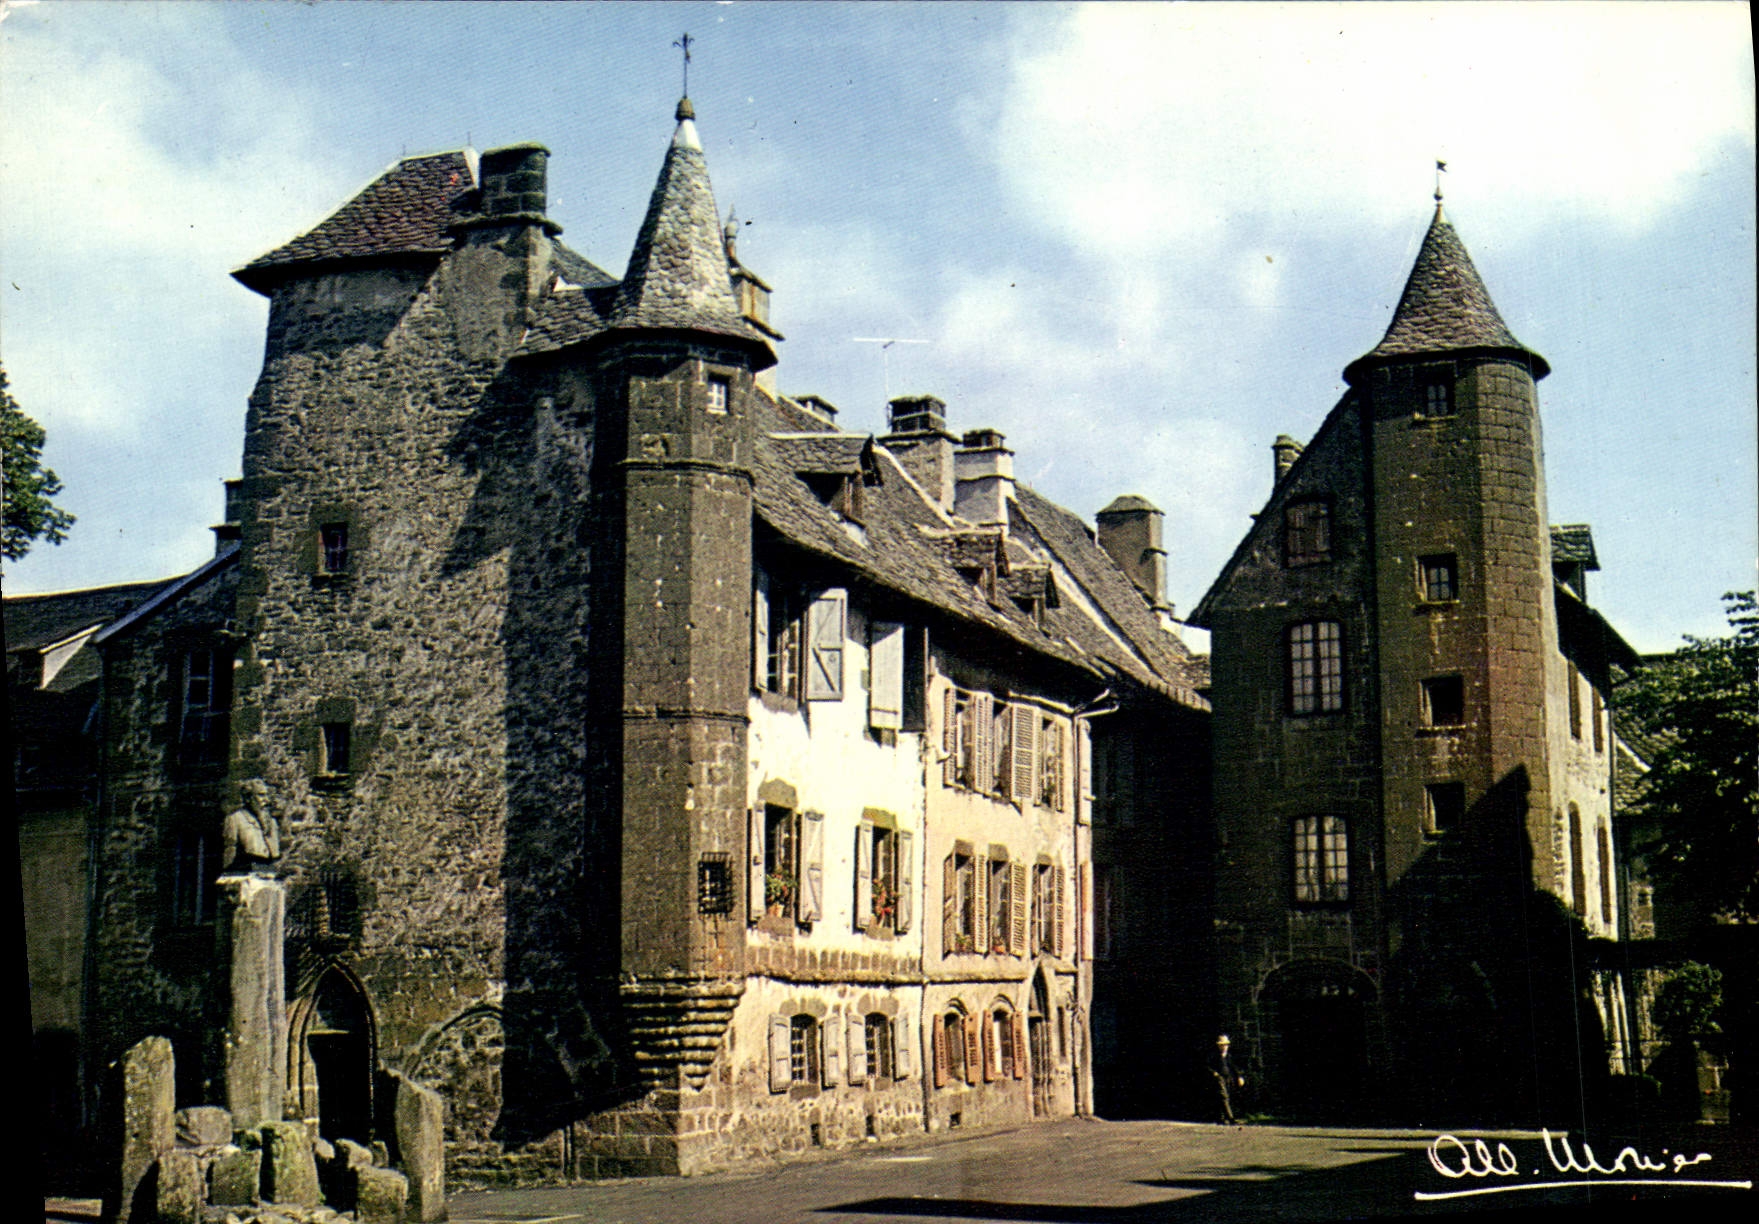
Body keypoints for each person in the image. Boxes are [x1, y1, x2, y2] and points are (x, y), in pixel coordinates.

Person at [222, 779, 283, 873]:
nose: (266, 800)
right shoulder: (235, 819)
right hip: (247, 871)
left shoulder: (272, 822)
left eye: (266, 795)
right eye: (261, 795)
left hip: (270, 871)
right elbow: (230, 852)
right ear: (248, 798)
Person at [1208, 1034, 1244, 1124]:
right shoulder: (1214, 1056)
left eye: (1225, 1045)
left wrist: (1239, 1076)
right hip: (1219, 1078)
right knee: (1224, 1096)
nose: (1224, 1047)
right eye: (1222, 1045)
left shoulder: (1229, 1056)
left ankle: (1222, 1118)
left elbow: (1234, 1067)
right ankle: (1230, 1118)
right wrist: (1214, 1073)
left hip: (1228, 1078)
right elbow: (1208, 1066)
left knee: (1228, 1097)